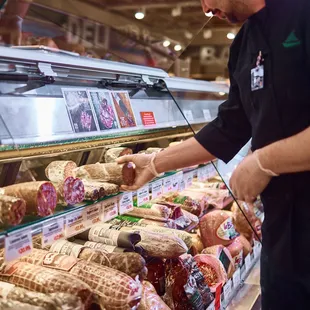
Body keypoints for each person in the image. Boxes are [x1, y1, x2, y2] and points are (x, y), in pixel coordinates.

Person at [118, 0, 310, 309]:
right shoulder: (244, 43)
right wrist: (154, 164)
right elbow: (229, 126)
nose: (205, 8)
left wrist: (264, 161)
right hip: (281, 235)